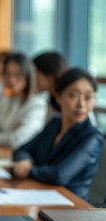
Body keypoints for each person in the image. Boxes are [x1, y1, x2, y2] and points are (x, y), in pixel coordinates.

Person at [13, 68, 103, 201]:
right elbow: (22, 149)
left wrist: (29, 169)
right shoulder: (55, 123)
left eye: (89, 97)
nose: (82, 104)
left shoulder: (92, 136)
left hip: (72, 206)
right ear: (58, 96)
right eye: (73, 95)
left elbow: (60, 175)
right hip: (39, 194)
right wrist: (25, 161)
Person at [32, 51, 69, 121]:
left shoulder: (69, 100)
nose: (31, 80)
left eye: (35, 74)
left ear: (50, 77)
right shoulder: (49, 101)